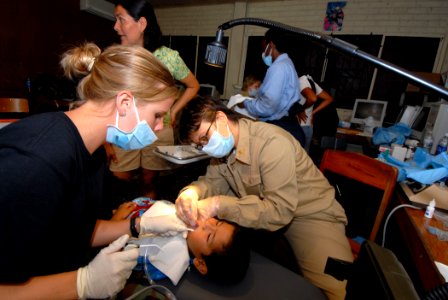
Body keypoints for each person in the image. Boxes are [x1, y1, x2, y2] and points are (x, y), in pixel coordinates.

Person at [0, 42, 188, 299]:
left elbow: (77, 231)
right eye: (157, 115)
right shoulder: (37, 163)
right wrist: (82, 283)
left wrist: (139, 225)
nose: (158, 127)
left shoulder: (95, 153)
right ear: (124, 102)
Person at [174, 97, 354, 300]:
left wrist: (217, 204)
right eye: (199, 146)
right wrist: (192, 192)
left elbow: (279, 211)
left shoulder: (272, 144)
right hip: (265, 216)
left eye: (204, 139)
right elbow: (213, 181)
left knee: (339, 291)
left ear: (221, 118)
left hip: (311, 217)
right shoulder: (224, 148)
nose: (205, 148)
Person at [111, 0, 200, 198]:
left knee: (148, 180)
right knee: (119, 181)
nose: (115, 27)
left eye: (121, 20)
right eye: (115, 20)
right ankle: (119, 222)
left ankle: (144, 220)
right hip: (125, 128)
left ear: (141, 23)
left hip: (158, 129)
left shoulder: (167, 57)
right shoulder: (117, 57)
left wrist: (173, 111)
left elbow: (193, 86)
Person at [113, 199, 250, 285]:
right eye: (217, 222)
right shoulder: (188, 217)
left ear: (200, 263)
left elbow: (114, 255)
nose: (208, 223)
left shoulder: (163, 261)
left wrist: (116, 219)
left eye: (209, 236)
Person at [239, 29, 305, 147]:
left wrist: (245, 104)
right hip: (288, 126)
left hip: (280, 128)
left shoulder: (278, 68)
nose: (263, 52)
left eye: (264, 46)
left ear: (271, 44)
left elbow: (268, 106)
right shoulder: (288, 64)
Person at [297, 75, 334, 152]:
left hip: (299, 126)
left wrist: (300, 109)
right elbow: (329, 99)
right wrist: (312, 113)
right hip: (308, 126)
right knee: (304, 158)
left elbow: (313, 98)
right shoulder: (310, 81)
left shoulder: (301, 81)